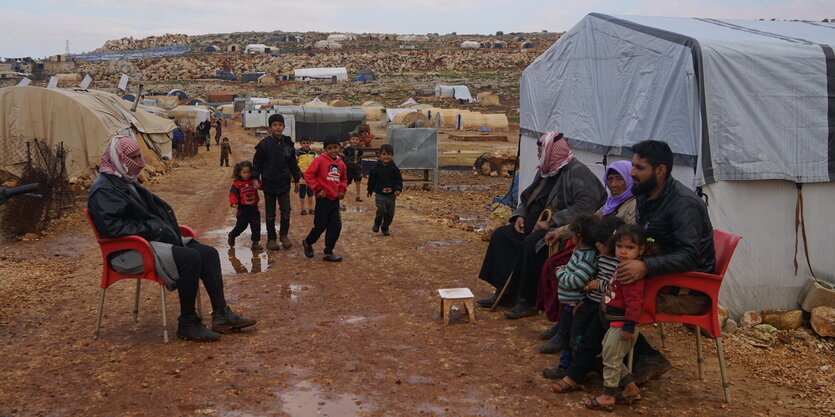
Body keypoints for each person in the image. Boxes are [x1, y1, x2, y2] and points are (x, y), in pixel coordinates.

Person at [87, 135, 256, 342]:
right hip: (128, 252)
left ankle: (221, 314)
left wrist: (160, 229)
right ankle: (188, 322)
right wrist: (155, 228)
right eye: (134, 156)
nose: (140, 161)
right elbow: (113, 228)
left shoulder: (123, 180)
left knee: (208, 253)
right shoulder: (104, 189)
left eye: (140, 155)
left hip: (147, 243)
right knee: (190, 258)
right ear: (118, 157)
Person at [476, 132, 606, 319]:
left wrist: (552, 222)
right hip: (532, 225)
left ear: (552, 153)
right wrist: (519, 216)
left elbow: (585, 207)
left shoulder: (578, 173)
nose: (538, 155)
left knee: (533, 244)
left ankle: (527, 300)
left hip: (558, 230)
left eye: (540, 151)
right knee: (502, 235)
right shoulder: (546, 170)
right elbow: (527, 198)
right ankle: (504, 292)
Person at [618, 140, 715, 383]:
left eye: (639, 168)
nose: (632, 173)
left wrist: (646, 266)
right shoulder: (646, 194)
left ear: (660, 171)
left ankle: (646, 358)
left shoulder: (683, 204)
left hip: (688, 289)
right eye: (632, 166)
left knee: (615, 302)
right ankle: (596, 355)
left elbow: (690, 255)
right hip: (664, 275)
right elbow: (647, 237)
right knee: (604, 286)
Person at [538, 159, 637, 352]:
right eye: (611, 179)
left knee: (569, 272)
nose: (614, 185)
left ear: (629, 180)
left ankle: (567, 330)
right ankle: (563, 321)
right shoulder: (611, 202)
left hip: (609, 259)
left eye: (619, 179)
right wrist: (561, 232)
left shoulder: (632, 207)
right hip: (597, 251)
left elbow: (627, 240)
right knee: (553, 263)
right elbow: (592, 220)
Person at [548, 216, 623, 386]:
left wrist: (560, 273)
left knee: (581, 339)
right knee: (575, 336)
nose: (596, 245)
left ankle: (572, 370)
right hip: (587, 302)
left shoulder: (615, 263)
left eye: (600, 242)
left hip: (600, 305)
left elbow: (614, 286)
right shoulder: (600, 257)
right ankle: (576, 367)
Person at [584, 224, 649, 411]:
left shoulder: (631, 274)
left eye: (630, 248)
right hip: (615, 323)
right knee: (609, 356)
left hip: (622, 325)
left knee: (611, 360)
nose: (623, 251)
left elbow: (635, 302)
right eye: (620, 246)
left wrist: (628, 325)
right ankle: (630, 387)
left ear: (641, 250)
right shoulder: (621, 267)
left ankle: (607, 395)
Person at [552, 214, 599, 371]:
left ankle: (566, 367)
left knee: (570, 337)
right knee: (567, 335)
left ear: (579, 236)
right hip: (568, 303)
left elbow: (575, 281)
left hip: (574, 305)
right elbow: (571, 268)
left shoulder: (587, 258)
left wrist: (559, 273)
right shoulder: (580, 252)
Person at [252, 114, 301, 251]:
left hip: (284, 184)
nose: (278, 127)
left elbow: (293, 163)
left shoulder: (288, 143)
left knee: (286, 211)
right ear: (270, 127)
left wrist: (296, 179)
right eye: (275, 125)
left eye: (280, 125)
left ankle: (284, 236)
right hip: (269, 184)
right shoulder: (264, 144)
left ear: (284, 127)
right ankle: (271, 239)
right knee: (270, 213)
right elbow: (257, 163)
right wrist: (256, 178)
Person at [301, 135, 347, 262]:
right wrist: (317, 188)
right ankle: (307, 242)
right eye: (329, 148)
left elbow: (343, 178)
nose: (333, 150)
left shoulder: (341, 163)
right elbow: (308, 174)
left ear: (340, 147)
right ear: (325, 149)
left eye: (335, 147)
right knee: (320, 225)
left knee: (336, 226)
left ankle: (328, 252)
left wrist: (342, 189)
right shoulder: (320, 160)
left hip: (334, 200)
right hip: (323, 199)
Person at [366, 144, 403, 236]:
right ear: (380, 155)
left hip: (391, 195)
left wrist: (398, 189)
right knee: (382, 209)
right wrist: (369, 191)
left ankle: (385, 226)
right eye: (384, 154)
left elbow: (398, 179)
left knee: (390, 214)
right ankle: (377, 223)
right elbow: (371, 180)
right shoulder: (375, 168)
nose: (386, 156)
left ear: (392, 155)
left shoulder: (394, 168)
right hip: (379, 194)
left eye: (389, 154)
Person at [227, 161, 262, 250]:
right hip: (242, 210)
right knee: (241, 226)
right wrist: (233, 202)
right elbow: (232, 194)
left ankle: (255, 243)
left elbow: (261, 185)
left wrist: (259, 185)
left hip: (254, 209)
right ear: (239, 173)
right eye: (244, 173)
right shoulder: (237, 184)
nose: (247, 175)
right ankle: (232, 235)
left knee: (256, 226)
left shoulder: (254, 181)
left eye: (249, 172)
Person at [295, 136, 317, 215]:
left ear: (310, 143)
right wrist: (298, 174)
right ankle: (303, 209)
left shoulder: (313, 153)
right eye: (304, 143)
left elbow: (316, 163)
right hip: (302, 177)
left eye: (307, 143)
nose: (306, 145)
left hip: (311, 177)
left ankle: (311, 208)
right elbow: (295, 164)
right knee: (302, 193)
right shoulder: (298, 153)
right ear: (300, 144)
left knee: (310, 193)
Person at [342, 135, 364, 202]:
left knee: (358, 181)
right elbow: (343, 158)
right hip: (348, 168)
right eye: (353, 139)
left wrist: (360, 169)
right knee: (347, 183)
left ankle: (358, 196)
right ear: (350, 140)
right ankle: (342, 195)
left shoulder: (360, 150)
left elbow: (360, 160)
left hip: (357, 168)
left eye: (357, 139)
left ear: (359, 141)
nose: (355, 141)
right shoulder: (347, 149)